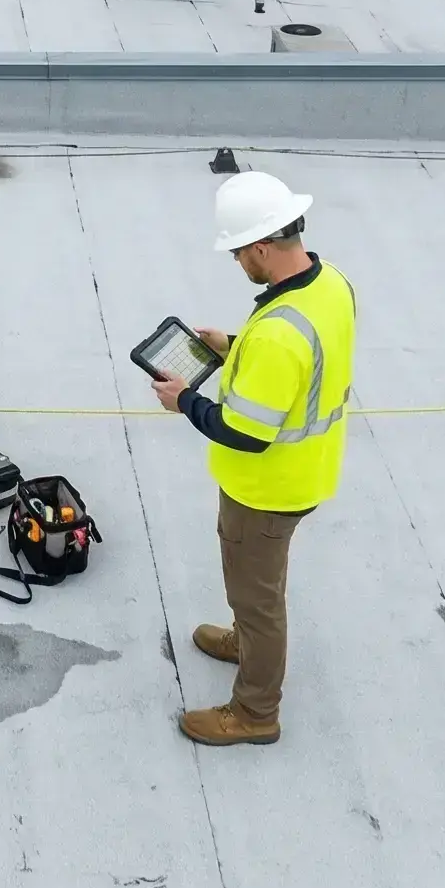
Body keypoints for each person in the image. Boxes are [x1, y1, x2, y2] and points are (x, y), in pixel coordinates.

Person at [151, 171, 356, 746]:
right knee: (259, 586)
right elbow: (301, 364)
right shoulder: (330, 283)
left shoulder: (277, 336)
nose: (239, 261)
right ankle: (245, 640)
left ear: (262, 246)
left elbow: (244, 432)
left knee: (257, 599)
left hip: (266, 489)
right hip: (306, 470)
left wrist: (183, 400)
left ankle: (255, 712)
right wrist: (233, 347)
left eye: (239, 251)